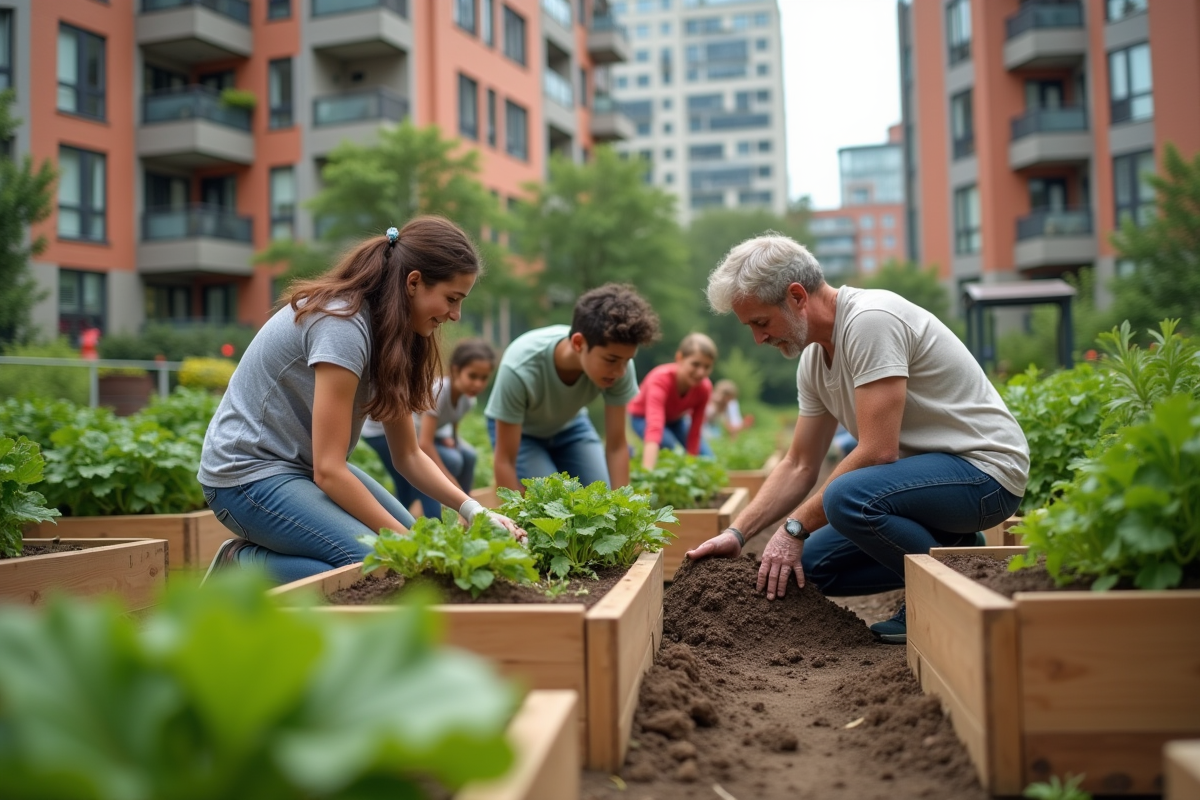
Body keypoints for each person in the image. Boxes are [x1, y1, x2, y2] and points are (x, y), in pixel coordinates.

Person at [686, 234, 1028, 644]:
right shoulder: (814, 361)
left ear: (796, 296)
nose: (759, 339)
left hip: (983, 474)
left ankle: (943, 592)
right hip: (929, 486)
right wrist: (737, 533)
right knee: (805, 570)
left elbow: (877, 452)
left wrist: (793, 528)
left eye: (760, 323)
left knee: (845, 496)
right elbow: (799, 463)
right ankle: (949, 547)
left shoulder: (870, 321)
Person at [197, 217, 524, 585]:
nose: (455, 315)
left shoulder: (395, 332)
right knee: (379, 566)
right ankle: (239, 567)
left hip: (299, 471)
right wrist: (411, 549)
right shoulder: (343, 323)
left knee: (407, 543)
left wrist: (474, 509)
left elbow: (409, 455)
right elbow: (330, 470)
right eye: (452, 299)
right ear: (413, 282)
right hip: (246, 476)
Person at [486, 283, 660, 492]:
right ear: (578, 344)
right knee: (552, 499)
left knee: (598, 495)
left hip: (571, 427)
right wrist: (512, 513)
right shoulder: (520, 366)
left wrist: (622, 510)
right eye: (611, 360)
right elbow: (505, 461)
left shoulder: (619, 365)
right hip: (523, 433)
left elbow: (616, 446)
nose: (621, 371)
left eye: (626, 360)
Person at [362, 338, 496, 519]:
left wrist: (451, 440)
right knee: (422, 477)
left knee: (468, 455)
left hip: (416, 432)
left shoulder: (468, 400)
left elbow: (451, 424)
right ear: (456, 371)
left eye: (483, 378)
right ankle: (429, 521)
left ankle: (464, 510)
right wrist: (452, 483)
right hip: (382, 429)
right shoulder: (439, 391)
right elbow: (425, 444)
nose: (478, 384)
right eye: (472, 376)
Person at [628, 333, 716, 470]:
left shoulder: (704, 388)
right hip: (642, 418)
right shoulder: (660, 380)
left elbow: (695, 430)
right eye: (695, 364)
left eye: (707, 367)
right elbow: (654, 426)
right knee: (670, 448)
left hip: (675, 420)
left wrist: (691, 465)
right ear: (679, 358)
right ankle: (636, 461)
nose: (701, 372)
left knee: (708, 458)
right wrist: (647, 472)